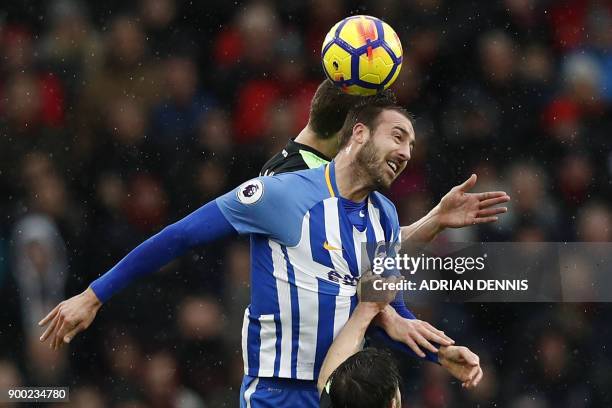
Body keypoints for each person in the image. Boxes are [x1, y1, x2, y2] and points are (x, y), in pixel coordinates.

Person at [39, 101, 476, 407]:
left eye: (412, 146)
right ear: (358, 133)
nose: (405, 152)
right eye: (397, 137)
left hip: (344, 396)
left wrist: (442, 354)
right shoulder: (280, 196)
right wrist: (94, 296)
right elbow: (180, 236)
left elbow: (386, 313)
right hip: (277, 393)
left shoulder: (384, 214)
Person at [260, 80, 510, 247]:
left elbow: (370, 251)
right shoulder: (291, 177)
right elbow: (342, 262)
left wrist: (434, 220)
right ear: (353, 131)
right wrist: (387, 315)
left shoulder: (325, 173)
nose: (404, 155)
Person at [317, 274, 483, 408]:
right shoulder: (330, 393)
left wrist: (368, 307)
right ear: (393, 404)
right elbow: (327, 381)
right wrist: (441, 353)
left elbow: (327, 378)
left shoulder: (331, 393)